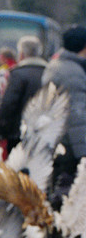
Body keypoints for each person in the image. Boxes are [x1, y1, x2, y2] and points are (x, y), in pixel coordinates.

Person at [41, 25, 86, 207]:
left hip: (59, 143)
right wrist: (83, 155)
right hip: (70, 149)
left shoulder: (60, 66)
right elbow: (78, 118)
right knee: (68, 197)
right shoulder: (72, 73)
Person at [0, 34, 47, 153]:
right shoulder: (49, 72)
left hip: (18, 134)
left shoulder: (18, 74)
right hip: (45, 134)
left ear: (21, 54)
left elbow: (8, 104)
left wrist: (0, 131)